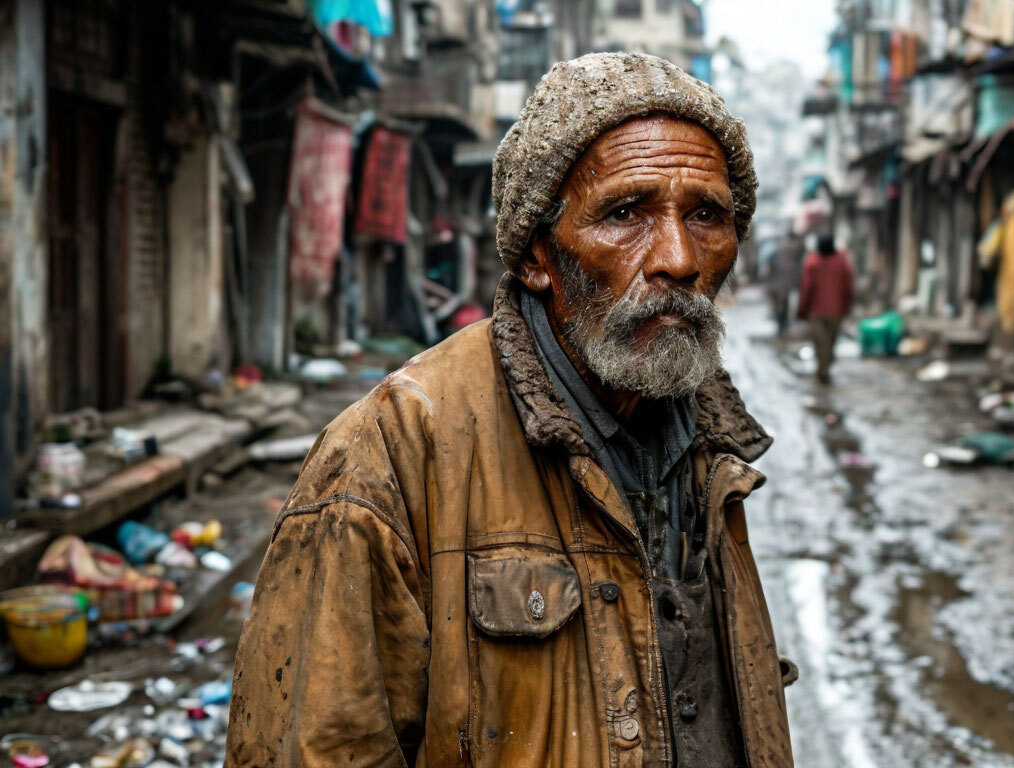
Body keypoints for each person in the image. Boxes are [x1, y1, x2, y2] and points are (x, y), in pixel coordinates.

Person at [225, 53, 795, 768]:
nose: (679, 257)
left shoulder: (707, 444)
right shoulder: (392, 454)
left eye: (707, 215)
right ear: (536, 256)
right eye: (626, 213)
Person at [796, 233, 854, 385]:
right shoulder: (842, 261)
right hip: (837, 311)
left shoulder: (812, 262)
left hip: (817, 311)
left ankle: (823, 372)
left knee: (821, 343)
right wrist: (847, 305)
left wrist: (802, 310)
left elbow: (806, 288)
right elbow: (848, 286)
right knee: (830, 342)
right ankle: (825, 368)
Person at [766, 232, 802, 337]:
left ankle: (781, 327)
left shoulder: (779, 252)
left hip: (780, 285)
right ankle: (781, 327)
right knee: (782, 306)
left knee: (782, 306)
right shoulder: (789, 253)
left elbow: (769, 270)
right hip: (781, 285)